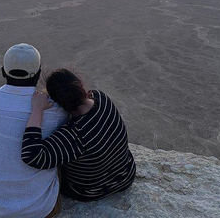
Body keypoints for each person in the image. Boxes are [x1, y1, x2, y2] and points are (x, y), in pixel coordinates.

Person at [0, 44, 68, 218]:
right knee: (57, 143)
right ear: (38, 74)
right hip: (40, 209)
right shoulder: (54, 111)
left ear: (3, 72)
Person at [21, 69, 136, 201]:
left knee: (52, 167)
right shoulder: (102, 98)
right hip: (126, 175)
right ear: (80, 84)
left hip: (90, 191)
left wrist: (37, 108)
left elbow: (31, 156)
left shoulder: (72, 135)